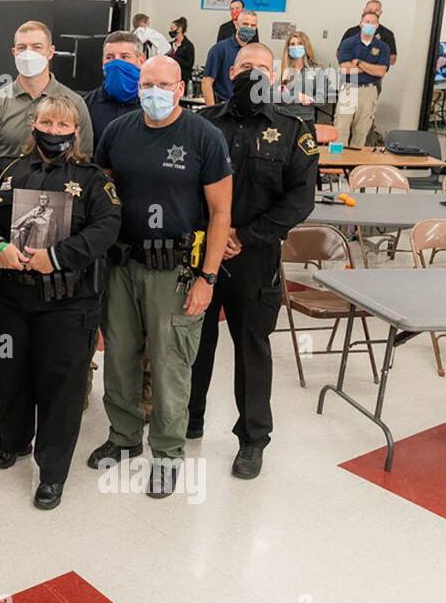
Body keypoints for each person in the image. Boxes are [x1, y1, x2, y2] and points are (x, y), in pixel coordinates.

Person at [0, 94, 121, 509]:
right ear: (33, 125)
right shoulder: (5, 170)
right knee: (10, 372)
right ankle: (13, 442)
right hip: (9, 298)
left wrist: (55, 257)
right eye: (46, 123)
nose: (53, 132)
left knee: (60, 387)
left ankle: (51, 472)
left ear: (76, 131)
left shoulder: (92, 180)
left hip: (67, 302)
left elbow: (108, 227)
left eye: (62, 125)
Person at [88, 55, 232, 498]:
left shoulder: (203, 136)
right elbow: (102, 192)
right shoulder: (118, 132)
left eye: (164, 84)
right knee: (120, 356)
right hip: (121, 263)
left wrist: (208, 278)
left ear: (179, 86)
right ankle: (124, 435)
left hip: (175, 272)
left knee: (170, 364)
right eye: (147, 84)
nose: (155, 92)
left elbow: (221, 211)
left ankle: (168, 453)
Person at [188, 44, 317, 479]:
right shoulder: (203, 124)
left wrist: (243, 235)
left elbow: (301, 199)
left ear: (275, 74)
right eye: (245, 67)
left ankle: (253, 438)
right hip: (202, 252)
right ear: (230, 72)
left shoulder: (294, 129)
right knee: (193, 340)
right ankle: (190, 416)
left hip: (254, 257)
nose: (253, 74)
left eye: (262, 68)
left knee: (252, 347)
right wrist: (212, 235)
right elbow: (185, 186)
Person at [0, 20, 94, 418]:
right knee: (2, 315)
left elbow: (85, 165)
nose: (28, 51)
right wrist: (0, 218)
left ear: (51, 51)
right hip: (6, 233)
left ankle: (58, 386)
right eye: (21, 45)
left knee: (59, 319)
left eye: (36, 45)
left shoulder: (73, 102)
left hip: (58, 236)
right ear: (12, 51)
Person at [335, 10, 391, 147]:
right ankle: (335, 163)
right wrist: (370, 68)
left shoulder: (383, 47)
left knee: (361, 130)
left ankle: (354, 165)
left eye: (373, 22)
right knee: (340, 129)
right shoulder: (348, 43)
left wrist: (359, 63)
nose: (369, 25)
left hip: (369, 90)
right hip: (349, 87)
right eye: (367, 22)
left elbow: (381, 72)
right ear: (360, 24)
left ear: (377, 25)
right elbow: (345, 68)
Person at [83, 31, 144, 143]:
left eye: (124, 57)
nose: (116, 63)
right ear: (102, 62)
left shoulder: (151, 104)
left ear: (141, 60)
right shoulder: (86, 104)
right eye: (110, 57)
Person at [202, 9, 259, 107]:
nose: (249, 28)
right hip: (224, 106)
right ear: (237, 25)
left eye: (253, 25)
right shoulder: (219, 49)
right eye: (245, 24)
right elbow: (206, 82)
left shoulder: (254, 52)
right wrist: (211, 111)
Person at [278, 30, 334, 122]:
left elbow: (320, 100)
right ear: (288, 48)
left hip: (305, 118)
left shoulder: (317, 69)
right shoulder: (281, 68)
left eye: (300, 43)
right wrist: (294, 96)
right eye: (292, 44)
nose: (296, 47)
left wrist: (305, 98)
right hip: (283, 117)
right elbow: (273, 93)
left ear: (306, 46)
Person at [339, 0, 398, 67]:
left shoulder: (387, 34)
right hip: (351, 73)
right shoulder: (351, 32)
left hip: (374, 75)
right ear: (364, 11)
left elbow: (392, 60)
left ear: (380, 12)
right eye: (370, 10)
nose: (373, 12)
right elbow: (339, 54)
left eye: (376, 10)